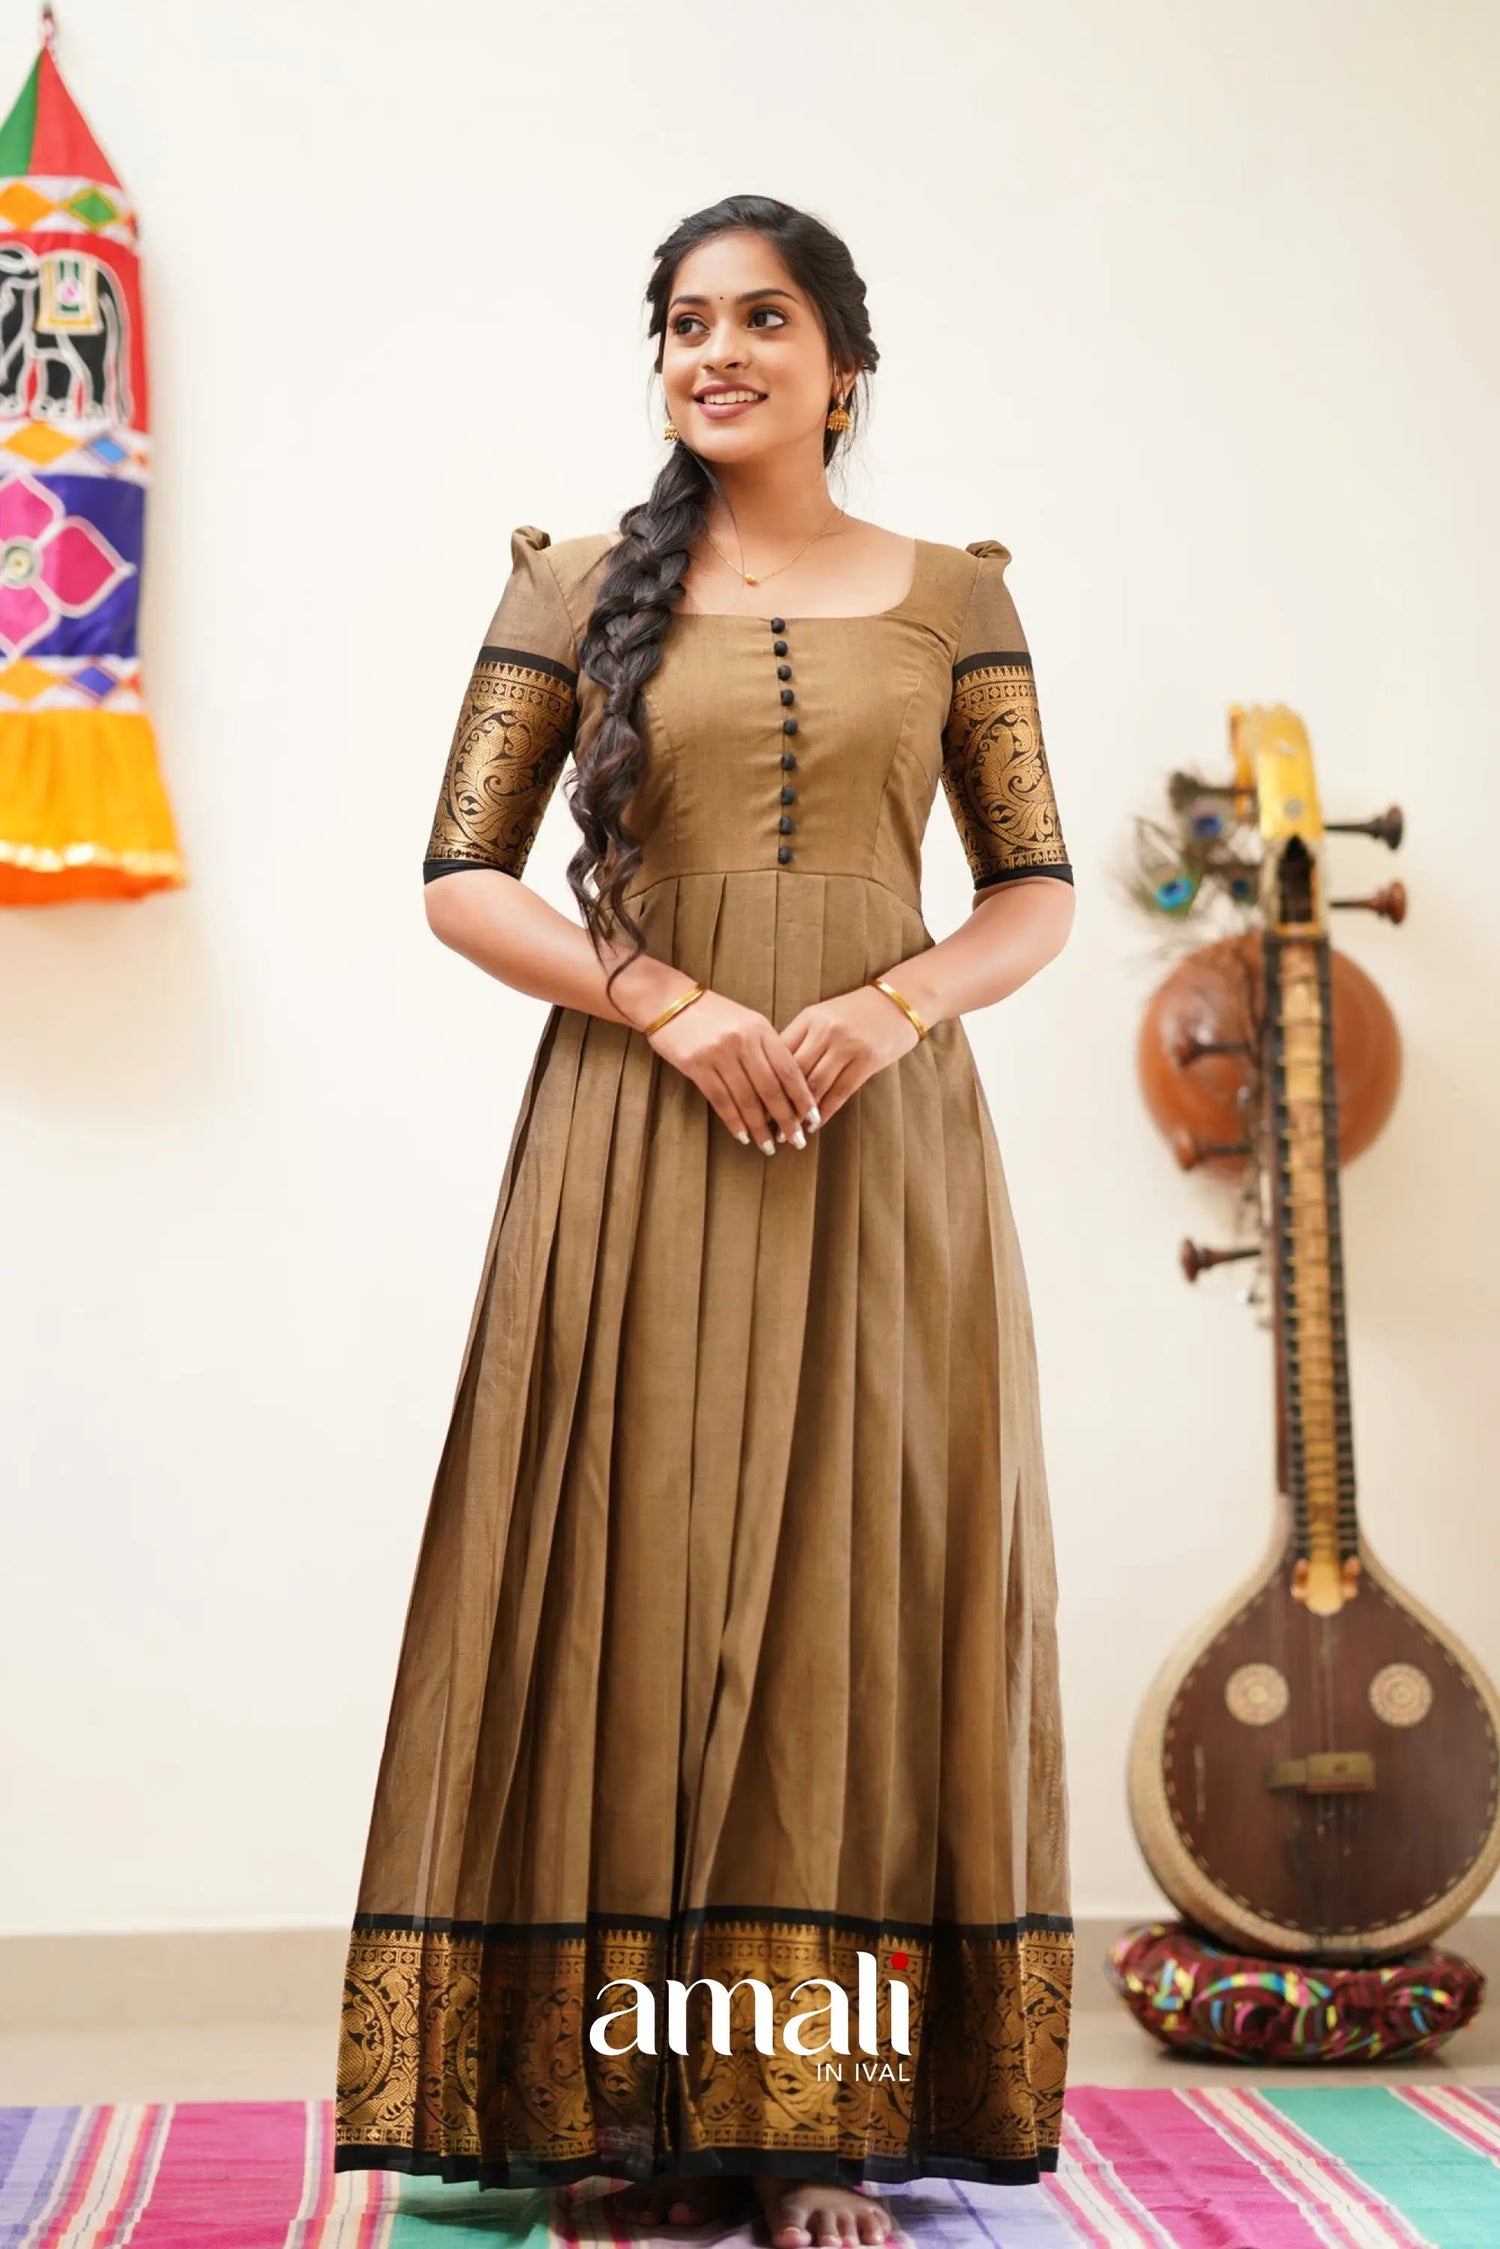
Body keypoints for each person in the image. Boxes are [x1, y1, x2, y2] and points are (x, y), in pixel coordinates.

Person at [334, 193, 1076, 2249]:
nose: (717, 350)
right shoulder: (576, 587)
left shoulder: (955, 598)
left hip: (877, 1152)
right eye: (684, 321)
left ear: (846, 366)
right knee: (623, 1578)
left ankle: (811, 2129)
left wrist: (888, 1006)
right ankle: (618, 2116)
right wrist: (663, 1001)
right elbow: (461, 875)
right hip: (634, 1138)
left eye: (762, 318)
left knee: (854, 1591)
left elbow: (1033, 887)